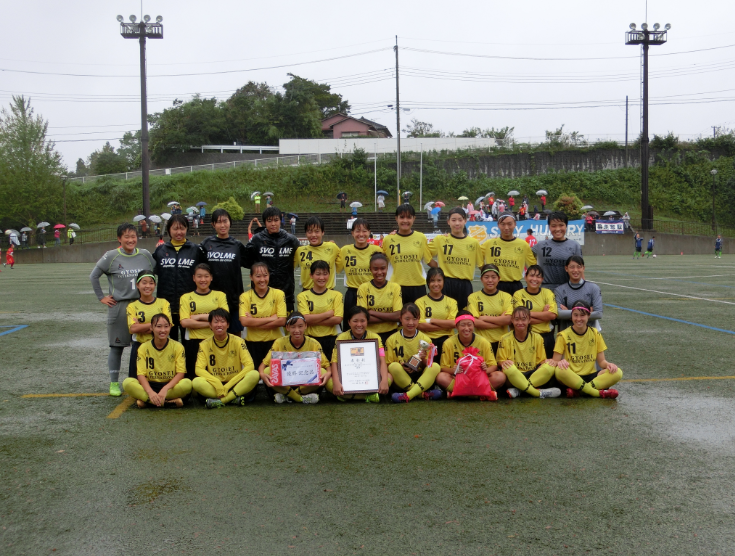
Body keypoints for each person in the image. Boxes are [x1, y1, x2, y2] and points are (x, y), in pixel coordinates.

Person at [90, 223, 155, 396]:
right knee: (116, 347)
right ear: (119, 239)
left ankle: (143, 380)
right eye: (126, 236)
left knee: (143, 345)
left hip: (142, 305)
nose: (130, 240)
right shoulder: (111, 256)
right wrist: (101, 297)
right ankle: (114, 383)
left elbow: (158, 273)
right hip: (119, 306)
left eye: (133, 236)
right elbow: (94, 275)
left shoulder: (145, 255)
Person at [152, 214, 207, 343]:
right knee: (167, 343)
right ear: (169, 230)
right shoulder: (160, 251)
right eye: (175, 229)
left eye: (182, 228)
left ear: (187, 229)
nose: (179, 232)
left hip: (189, 305)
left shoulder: (195, 250)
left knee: (189, 342)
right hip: (165, 305)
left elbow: (204, 274)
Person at [192, 308, 260, 408]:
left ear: (228, 325)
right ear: (210, 325)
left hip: (235, 384)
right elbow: (198, 369)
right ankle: (233, 398)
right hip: (215, 387)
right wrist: (217, 383)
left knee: (254, 374)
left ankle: (223, 400)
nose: (219, 325)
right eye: (216, 322)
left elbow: (249, 365)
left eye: (222, 321)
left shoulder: (238, 341)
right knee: (196, 382)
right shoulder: (204, 345)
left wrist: (228, 386)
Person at [553, 300, 622, 398]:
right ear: (571, 316)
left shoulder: (595, 333)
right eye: (575, 315)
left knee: (617, 372)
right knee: (559, 371)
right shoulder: (562, 335)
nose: (578, 319)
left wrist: (608, 365)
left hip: (591, 376)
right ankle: (596, 392)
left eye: (582, 315)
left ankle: (579, 391)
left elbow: (601, 362)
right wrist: (560, 362)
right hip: (572, 376)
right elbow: (555, 361)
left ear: (588, 316)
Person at [122, 313, 191, 408]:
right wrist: (150, 392)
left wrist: (165, 389)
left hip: (169, 386)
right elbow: (141, 374)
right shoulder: (143, 347)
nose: (163, 330)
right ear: (151, 328)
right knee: (127, 383)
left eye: (166, 326)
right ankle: (166, 402)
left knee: (187, 384)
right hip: (150, 385)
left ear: (170, 327)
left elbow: (180, 373)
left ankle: (147, 401)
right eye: (158, 326)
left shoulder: (178, 346)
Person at [258, 312, 329, 404]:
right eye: (293, 327)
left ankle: (288, 396)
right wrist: (261, 374)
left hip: (304, 384)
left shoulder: (314, 343)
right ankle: (300, 398)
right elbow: (263, 365)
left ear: (305, 326)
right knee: (267, 371)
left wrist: (329, 372)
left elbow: (327, 365)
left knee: (322, 372)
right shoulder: (279, 342)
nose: (297, 330)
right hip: (285, 384)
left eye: (300, 326)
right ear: (287, 327)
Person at [200, 208, 250, 334]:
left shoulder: (237, 245)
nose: (222, 225)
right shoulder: (206, 244)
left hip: (234, 299)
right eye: (218, 222)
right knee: (214, 334)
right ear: (213, 225)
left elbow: (250, 262)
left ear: (230, 223)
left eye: (225, 221)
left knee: (235, 336)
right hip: (212, 299)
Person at [245, 206, 301, 312]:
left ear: (281, 220)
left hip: (286, 295)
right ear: (265, 222)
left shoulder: (291, 240)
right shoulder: (257, 240)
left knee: (286, 326)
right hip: (261, 294)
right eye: (269, 221)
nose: (273, 224)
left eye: (276, 220)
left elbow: (303, 255)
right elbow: (247, 261)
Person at [497, 306, 561, 399]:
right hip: (515, 375)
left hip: (533, 374)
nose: (520, 323)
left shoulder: (537, 338)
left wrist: (548, 363)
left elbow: (541, 361)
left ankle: (519, 390)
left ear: (529, 320)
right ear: (512, 320)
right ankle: (537, 393)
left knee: (550, 366)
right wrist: (504, 363)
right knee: (508, 367)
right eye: (517, 319)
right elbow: (500, 362)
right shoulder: (504, 338)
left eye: (523, 319)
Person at [330, 306, 390, 402]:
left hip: (369, 377)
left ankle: (346, 396)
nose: (359, 324)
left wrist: (384, 381)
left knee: (389, 378)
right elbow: (334, 362)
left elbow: (382, 360)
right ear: (349, 322)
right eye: (355, 321)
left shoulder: (376, 338)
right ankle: (368, 397)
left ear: (367, 321)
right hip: (349, 377)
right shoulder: (341, 338)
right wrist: (336, 383)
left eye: (362, 321)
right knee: (330, 383)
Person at [179, 263, 229, 379]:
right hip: (194, 341)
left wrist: (198, 316)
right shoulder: (186, 297)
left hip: (216, 340)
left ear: (211, 277)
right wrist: (213, 323)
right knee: (195, 378)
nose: (203, 280)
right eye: (199, 276)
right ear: (194, 278)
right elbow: (185, 322)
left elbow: (224, 317)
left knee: (216, 375)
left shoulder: (220, 295)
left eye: (206, 276)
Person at [428, 207, 483, 311]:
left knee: (464, 317)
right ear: (448, 222)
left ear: (465, 221)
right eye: (453, 220)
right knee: (444, 315)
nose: (457, 223)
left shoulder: (473, 243)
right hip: (446, 283)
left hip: (465, 286)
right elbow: (424, 253)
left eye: (460, 220)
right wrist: (437, 267)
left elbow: (481, 265)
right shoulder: (441, 239)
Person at [385, 304, 442, 403]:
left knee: (435, 366)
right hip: (401, 377)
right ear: (401, 319)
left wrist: (423, 359)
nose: (411, 322)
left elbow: (428, 365)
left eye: (414, 319)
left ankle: (408, 395)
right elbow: (388, 365)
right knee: (393, 366)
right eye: (407, 319)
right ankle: (421, 394)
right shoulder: (391, 339)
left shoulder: (425, 339)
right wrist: (402, 366)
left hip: (420, 376)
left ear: (419, 319)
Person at [436, 311, 503, 395]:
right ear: (456, 327)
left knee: (500, 376)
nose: (466, 328)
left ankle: (459, 393)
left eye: (469, 324)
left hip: (479, 379)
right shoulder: (448, 343)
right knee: (441, 377)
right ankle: (480, 393)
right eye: (462, 325)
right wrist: (453, 370)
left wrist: (486, 370)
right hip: (459, 378)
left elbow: (493, 365)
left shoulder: (484, 342)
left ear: (474, 325)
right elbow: (443, 367)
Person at [382, 204, 436, 303]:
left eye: (409, 217)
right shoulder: (388, 239)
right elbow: (381, 261)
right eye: (402, 217)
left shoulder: (421, 237)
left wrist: (445, 268)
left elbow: (428, 260)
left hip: (418, 286)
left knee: (418, 317)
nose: (405, 220)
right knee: (396, 317)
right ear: (396, 218)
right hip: (395, 286)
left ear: (414, 218)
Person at [239, 262, 287, 370]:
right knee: (252, 379)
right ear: (251, 277)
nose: (262, 279)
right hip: (252, 343)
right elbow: (244, 322)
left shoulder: (279, 294)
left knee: (274, 381)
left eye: (265, 275)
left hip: (274, 342)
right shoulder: (245, 297)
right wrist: (271, 318)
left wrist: (253, 321)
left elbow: (282, 321)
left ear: (269, 275)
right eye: (258, 276)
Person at [337, 218, 383, 330]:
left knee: (371, 325)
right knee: (350, 328)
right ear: (352, 233)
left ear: (369, 232)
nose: (361, 234)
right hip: (352, 294)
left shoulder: (377, 250)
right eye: (357, 231)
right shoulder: (344, 250)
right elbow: (336, 268)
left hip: (372, 293)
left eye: (364, 231)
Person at [126, 271, 172, 380]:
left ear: (155, 285)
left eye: (151, 283)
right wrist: (156, 326)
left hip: (161, 346)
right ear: (137, 285)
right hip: (140, 345)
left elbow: (167, 326)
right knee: (133, 381)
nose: (147, 286)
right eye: (144, 283)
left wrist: (143, 327)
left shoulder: (163, 303)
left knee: (161, 378)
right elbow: (133, 328)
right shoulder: (132, 306)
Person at [297, 260, 343, 358]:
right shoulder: (303, 296)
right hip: (310, 340)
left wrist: (312, 319)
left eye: (325, 274)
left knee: (332, 369)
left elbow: (338, 319)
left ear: (329, 275)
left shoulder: (336, 295)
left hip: (331, 339)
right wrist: (328, 314)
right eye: (318, 274)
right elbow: (305, 319)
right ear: (311, 275)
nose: (321, 277)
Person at [482, 212, 536, 295]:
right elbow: (477, 259)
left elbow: (533, 267)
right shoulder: (489, 244)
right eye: (502, 224)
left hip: (515, 287)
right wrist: (487, 273)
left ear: (515, 224)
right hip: (495, 286)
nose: (506, 227)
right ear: (498, 225)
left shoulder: (523, 245)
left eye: (510, 224)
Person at [357, 253, 403, 346]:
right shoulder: (363, 288)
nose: (379, 272)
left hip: (391, 334)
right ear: (370, 269)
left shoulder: (395, 287)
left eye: (383, 268)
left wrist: (372, 312)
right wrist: (390, 317)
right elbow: (362, 318)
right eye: (375, 269)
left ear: (387, 268)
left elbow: (398, 316)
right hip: (370, 335)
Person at [512, 264, 557, 358]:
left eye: (538, 276)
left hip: (546, 337)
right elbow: (520, 319)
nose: (535, 279)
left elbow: (552, 315)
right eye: (532, 275)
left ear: (542, 279)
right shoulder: (518, 294)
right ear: (525, 277)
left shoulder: (547, 293)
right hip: (527, 336)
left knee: (548, 368)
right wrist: (544, 316)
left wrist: (527, 314)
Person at [466, 264, 513, 354]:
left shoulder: (506, 297)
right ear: (481, 279)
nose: (490, 280)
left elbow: (508, 319)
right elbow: (474, 322)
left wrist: (484, 318)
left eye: (493, 277)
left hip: (502, 343)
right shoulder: (473, 297)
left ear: (499, 279)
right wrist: (500, 322)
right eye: (486, 277)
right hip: (481, 342)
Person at [531, 212, 582, 292]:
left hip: (568, 289)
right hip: (546, 290)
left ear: (566, 226)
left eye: (561, 225)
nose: (557, 229)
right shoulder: (540, 245)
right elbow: (525, 256)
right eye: (553, 226)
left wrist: (582, 289)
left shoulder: (574, 245)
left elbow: (579, 270)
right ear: (549, 227)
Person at [416, 268, 458, 361]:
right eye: (432, 281)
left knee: (446, 369)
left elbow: (453, 323)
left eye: (439, 280)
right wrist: (445, 326)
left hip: (447, 340)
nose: (436, 284)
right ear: (427, 283)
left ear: (444, 282)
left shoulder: (451, 302)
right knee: (429, 368)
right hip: (426, 341)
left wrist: (431, 320)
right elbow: (420, 325)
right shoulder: (420, 302)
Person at [555, 255, 603, 333]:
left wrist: (569, 313)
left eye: (579, 267)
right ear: (566, 268)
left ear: (583, 268)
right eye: (572, 267)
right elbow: (558, 313)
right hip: (567, 334)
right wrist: (586, 312)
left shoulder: (594, 288)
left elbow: (598, 313)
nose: (575, 270)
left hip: (589, 333)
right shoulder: (559, 290)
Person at [294, 216, 341, 291]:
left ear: (322, 232)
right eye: (310, 231)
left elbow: (343, 264)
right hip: (307, 293)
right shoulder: (300, 251)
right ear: (306, 233)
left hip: (328, 293)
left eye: (317, 231)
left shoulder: (333, 247)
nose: (313, 235)